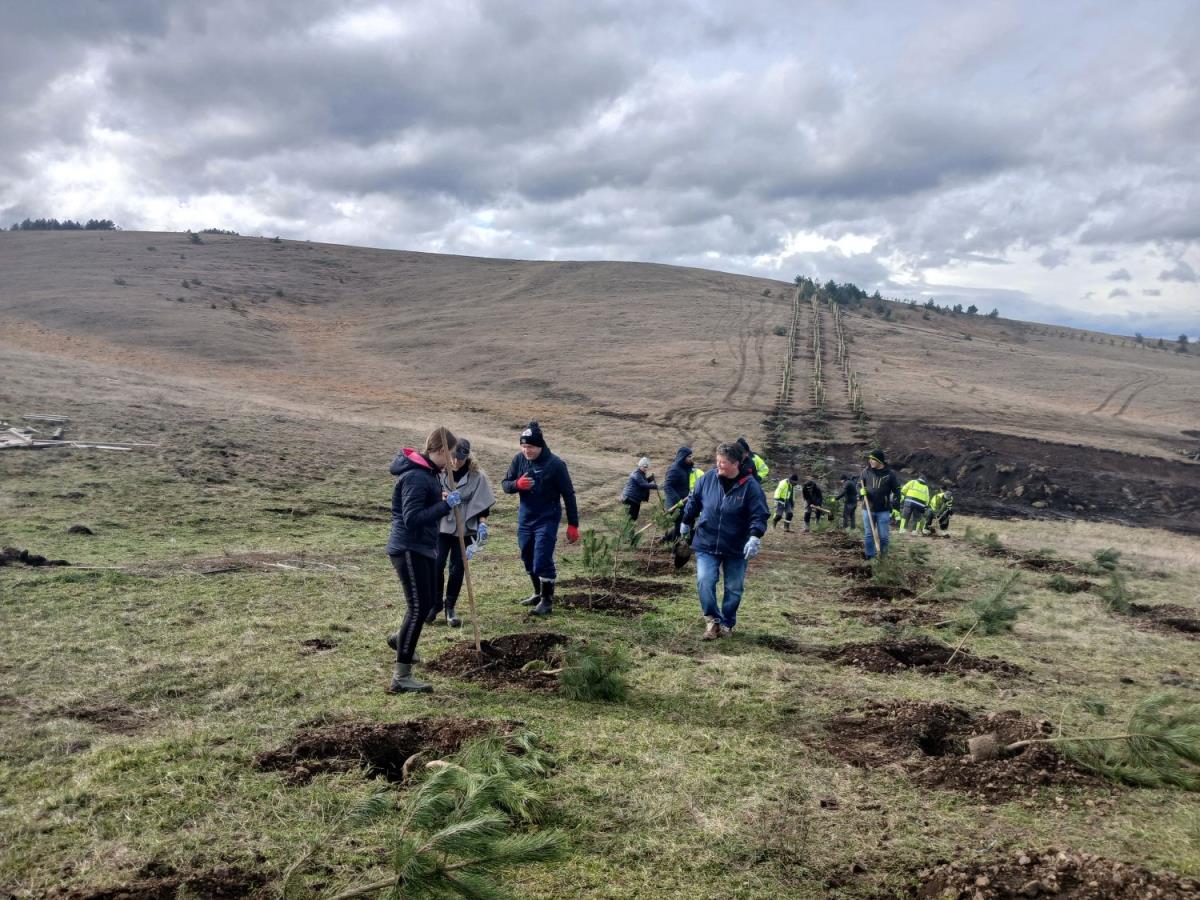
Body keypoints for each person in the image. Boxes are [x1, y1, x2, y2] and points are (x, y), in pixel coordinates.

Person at [385, 427, 463, 694]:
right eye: (451, 454)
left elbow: (422, 506)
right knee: (418, 608)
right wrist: (444, 506)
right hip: (409, 548)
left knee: (429, 603)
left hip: (422, 547)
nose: (453, 461)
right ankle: (401, 677)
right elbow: (412, 518)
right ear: (440, 450)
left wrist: (439, 499)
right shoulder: (417, 476)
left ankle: (401, 639)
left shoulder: (428, 474)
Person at [679, 442, 769, 640]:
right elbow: (694, 501)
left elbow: (759, 514)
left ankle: (727, 623)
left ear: (736, 463)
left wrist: (755, 536)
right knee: (705, 580)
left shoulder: (750, 486)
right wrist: (686, 520)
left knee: (734, 588)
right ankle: (713, 621)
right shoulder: (707, 479)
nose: (718, 465)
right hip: (707, 541)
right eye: (717, 460)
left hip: (736, 546)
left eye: (723, 462)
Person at [501, 421, 580, 616]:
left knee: (542, 558)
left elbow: (569, 494)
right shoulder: (519, 460)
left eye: (530, 447)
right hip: (525, 518)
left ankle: (547, 601)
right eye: (523, 446)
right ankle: (537, 593)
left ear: (540, 446)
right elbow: (505, 484)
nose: (526, 450)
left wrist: (573, 524)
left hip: (547, 518)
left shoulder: (556, 465)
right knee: (527, 556)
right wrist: (517, 485)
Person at [426, 438, 495, 628]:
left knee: (457, 568)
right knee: (436, 565)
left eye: (461, 459)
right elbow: (428, 494)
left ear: (467, 457)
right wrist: (442, 498)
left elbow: (483, 505)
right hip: (442, 526)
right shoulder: (438, 471)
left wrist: (483, 525)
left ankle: (450, 607)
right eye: (453, 457)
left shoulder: (477, 476)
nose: (456, 462)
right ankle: (436, 604)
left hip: (465, 528)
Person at [859, 449, 902, 560]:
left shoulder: (890, 474)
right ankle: (870, 557)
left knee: (884, 537)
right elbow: (859, 485)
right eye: (870, 459)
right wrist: (861, 492)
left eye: (873, 459)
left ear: (879, 461)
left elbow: (897, 491)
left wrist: (896, 507)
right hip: (868, 508)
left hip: (883, 510)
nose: (870, 461)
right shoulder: (865, 472)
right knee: (869, 535)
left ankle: (883, 558)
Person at [663, 446, 699, 540]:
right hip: (676, 505)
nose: (691, 458)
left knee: (686, 523)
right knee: (680, 526)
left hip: (684, 502)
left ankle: (668, 539)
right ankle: (674, 547)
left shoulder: (685, 468)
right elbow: (667, 486)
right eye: (689, 456)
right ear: (683, 457)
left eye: (691, 456)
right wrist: (678, 500)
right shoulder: (674, 469)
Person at [620, 456, 658, 521]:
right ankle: (627, 528)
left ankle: (630, 527)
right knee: (630, 519)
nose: (645, 468)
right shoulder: (636, 473)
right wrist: (656, 486)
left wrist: (650, 479)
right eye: (644, 467)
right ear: (640, 465)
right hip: (630, 499)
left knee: (633, 518)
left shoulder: (641, 473)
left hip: (634, 499)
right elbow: (642, 484)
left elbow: (643, 482)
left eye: (646, 467)